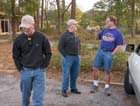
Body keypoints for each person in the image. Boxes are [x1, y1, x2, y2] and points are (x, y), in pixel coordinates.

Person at [12, 15, 52, 106]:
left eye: (28, 27)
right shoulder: (18, 40)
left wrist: (44, 66)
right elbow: (15, 56)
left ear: (33, 25)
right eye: (24, 27)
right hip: (25, 71)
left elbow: (48, 53)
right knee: (25, 98)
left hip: (39, 71)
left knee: (38, 99)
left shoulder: (42, 37)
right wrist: (20, 68)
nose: (26, 29)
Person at [91, 16, 123, 96]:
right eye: (106, 21)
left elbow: (119, 46)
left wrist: (112, 54)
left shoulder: (118, 32)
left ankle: (107, 87)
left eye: (108, 21)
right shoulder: (105, 30)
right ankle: (95, 85)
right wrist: (97, 31)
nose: (106, 22)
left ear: (113, 22)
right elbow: (97, 38)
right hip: (100, 51)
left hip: (109, 53)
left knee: (107, 71)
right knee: (95, 68)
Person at [58, 19, 81, 97]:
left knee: (75, 74)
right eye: (75, 24)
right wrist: (65, 56)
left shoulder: (76, 34)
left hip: (76, 57)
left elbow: (79, 44)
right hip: (68, 57)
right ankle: (64, 89)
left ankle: (73, 88)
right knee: (66, 74)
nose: (76, 26)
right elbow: (60, 47)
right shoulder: (64, 35)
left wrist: (79, 54)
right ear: (70, 25)